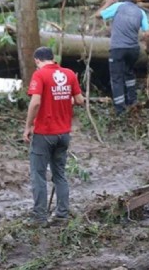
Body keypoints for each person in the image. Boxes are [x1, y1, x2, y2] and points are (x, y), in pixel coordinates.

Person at [23, 46, 85, 227]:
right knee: (60, 175)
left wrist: (27, 127)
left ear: (37, 61)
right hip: (64, 134)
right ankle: (62, 216)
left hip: (44, 134)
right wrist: (66, 98)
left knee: (38, 175)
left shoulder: (40, 75)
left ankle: (39, 217)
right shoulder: (69, 74)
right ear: (53, 58)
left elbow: (35, 102)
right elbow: (80, 100)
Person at [96, 0, 149, 115]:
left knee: (117, 78)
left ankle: (120, 110)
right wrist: (148, 49)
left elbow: (98, 15)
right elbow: (147, 33)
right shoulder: (140, 12)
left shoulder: (118, 6)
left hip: (117, 49)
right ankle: (133, 101)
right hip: (133, 50)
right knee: (129, 73)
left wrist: (107, 3)